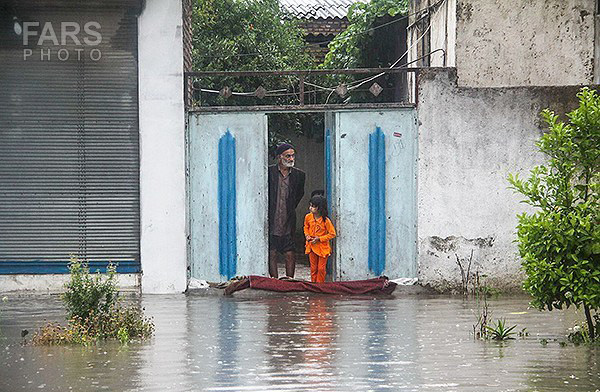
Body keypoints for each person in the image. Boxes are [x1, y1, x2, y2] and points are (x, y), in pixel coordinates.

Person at [268, 143, 305, 278]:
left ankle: (290, 281)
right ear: (279, 157)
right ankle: (274, 281)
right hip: (271, 218)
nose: (291, 159)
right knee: (271, 252)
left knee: (290, 252)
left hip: (288, 218)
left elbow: (299, 194)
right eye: (287, 156)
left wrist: (289, 207)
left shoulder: (299, 175)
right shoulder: (269, 172)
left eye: (292, 156)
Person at [304, 194, 336, 283]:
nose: (311, 208)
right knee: (313, 268)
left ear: (319, 208)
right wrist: (307, 235)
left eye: (313, 206)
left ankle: (320, 285)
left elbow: (332, 234)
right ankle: (313, 284)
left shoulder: (326, 221)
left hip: (322, 248)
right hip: (311, 246)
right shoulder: (308, 217)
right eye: (310, 205)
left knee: (321, 268)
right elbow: (306, 227)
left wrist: (319, 239)